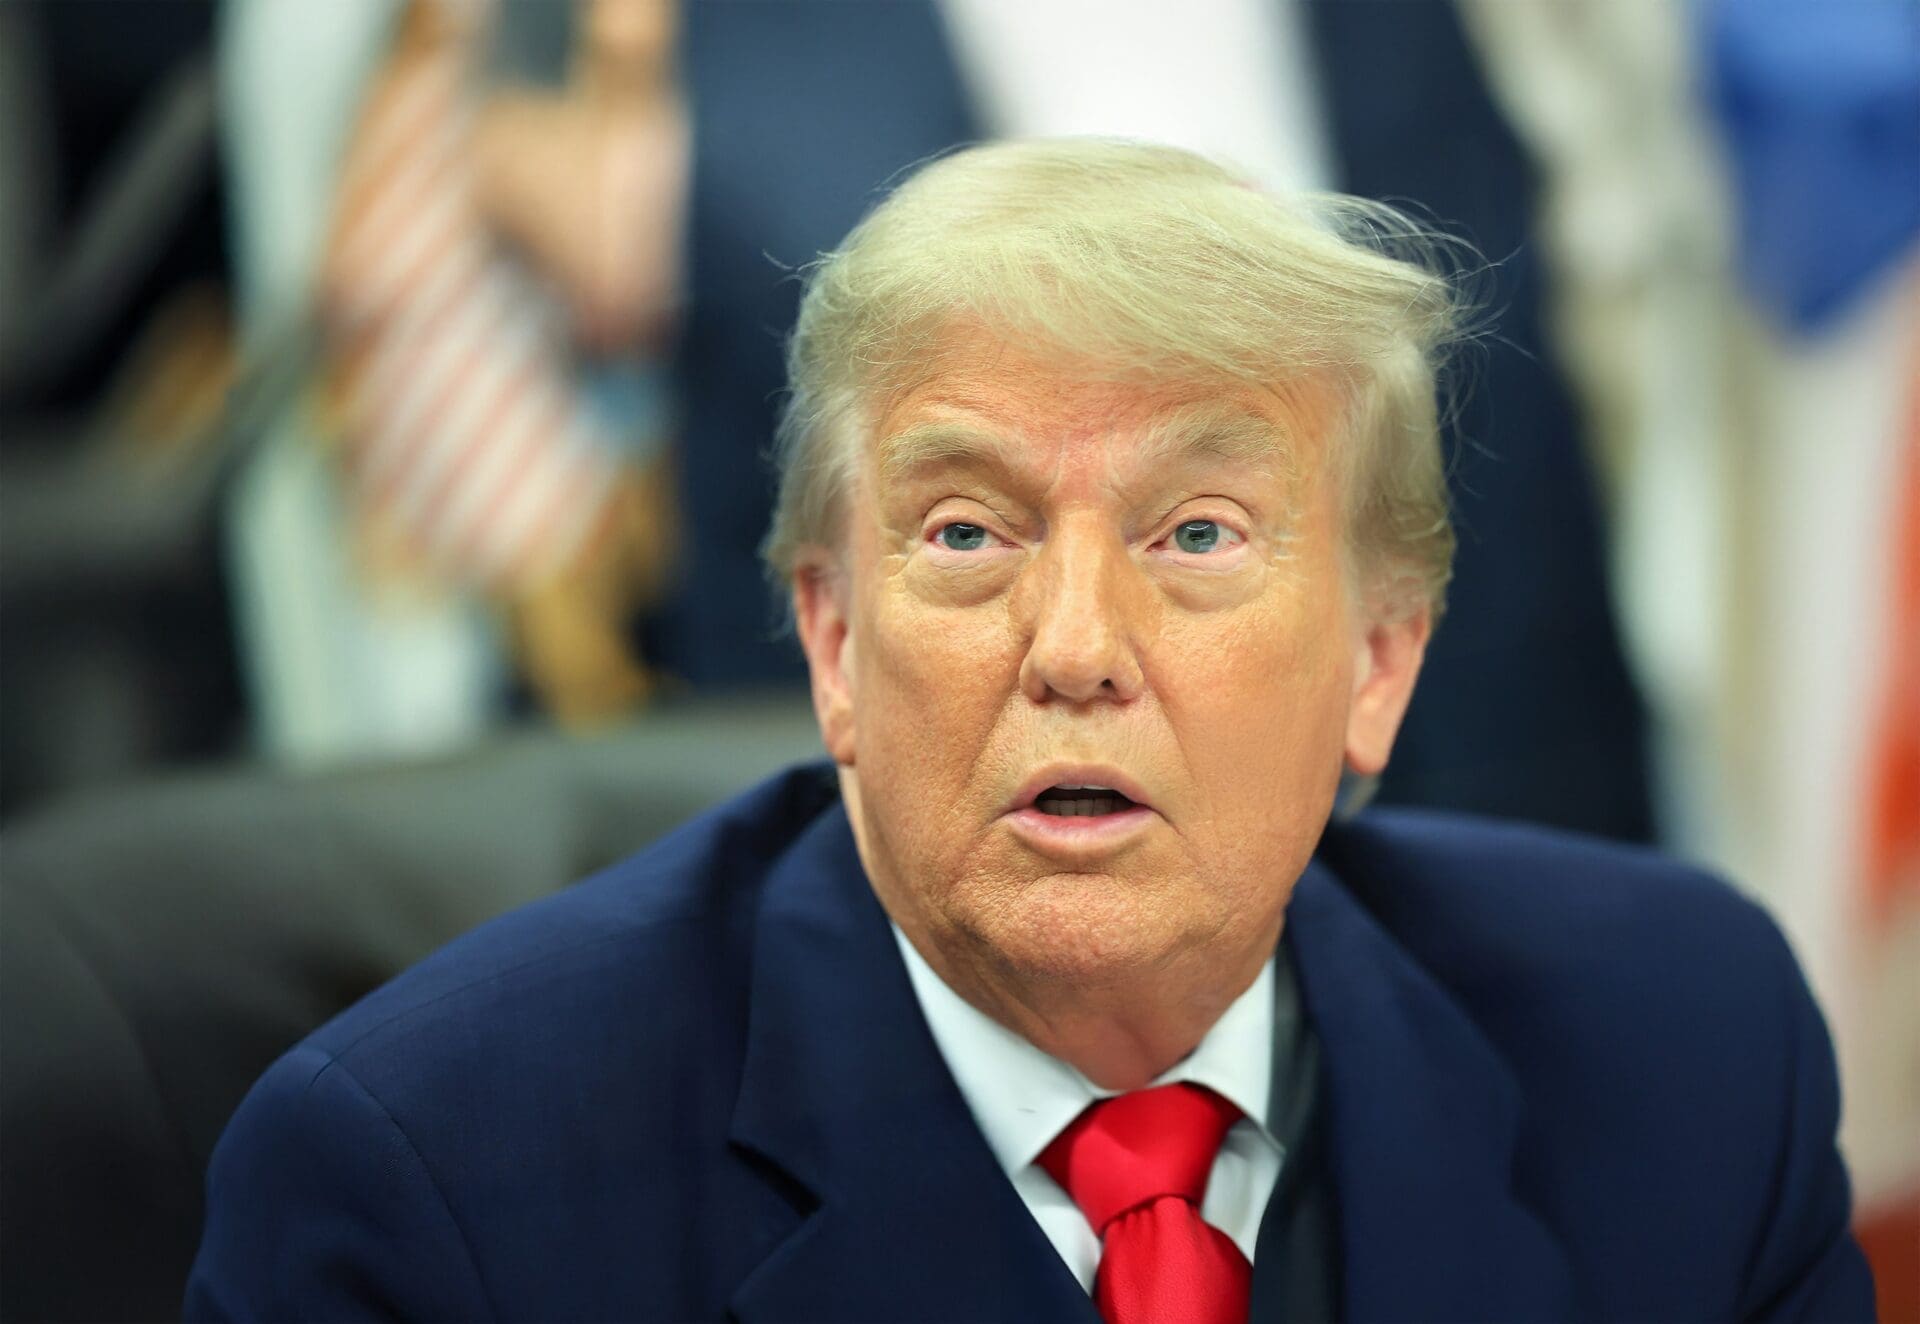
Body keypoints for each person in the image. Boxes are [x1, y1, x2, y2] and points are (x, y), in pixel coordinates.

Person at [185, 141, 1874, 1322]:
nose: (1074, 650)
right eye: (968, 535)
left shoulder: (1685, 1055)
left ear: (1380, 661)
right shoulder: (430, 1195)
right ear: (834, 645)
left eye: (1197, 535)